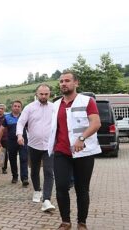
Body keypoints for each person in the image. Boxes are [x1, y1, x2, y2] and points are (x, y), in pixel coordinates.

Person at [48, 71, 101, 230]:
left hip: (83, 152)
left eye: (67, 81)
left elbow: (96, 123)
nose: (63, 83)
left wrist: (82, 138)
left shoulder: (87, 101)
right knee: (62, 187)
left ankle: (82, 222)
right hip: (61, 152)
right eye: (61, 81)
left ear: (76, 83)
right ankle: (65, 221)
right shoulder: (56, 104)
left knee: (82, 189)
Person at [16, 83, 55, 212]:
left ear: (50, 94)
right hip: (33, 145)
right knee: (34, 170)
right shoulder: (29, 108)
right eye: (41, 94)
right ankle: (37, 190)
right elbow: (21, 122)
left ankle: (47, 199)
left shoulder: (54, 108)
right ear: (36, 94)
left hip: (49, 146)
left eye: (46, 94)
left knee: (49, 171)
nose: (43, 96)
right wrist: (20, 135)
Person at [0, 100, 29, 186]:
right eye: (15, 106)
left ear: (21, 108)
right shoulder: (7, 118)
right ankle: (15, 176)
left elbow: (30, 129)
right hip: (11, 141)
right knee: (12, 159)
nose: (17, 108)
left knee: (24, 159)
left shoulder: (24, 117)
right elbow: (1, 129)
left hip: (23, 141)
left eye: (19, 106)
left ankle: (24, 178)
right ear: (12, 107)